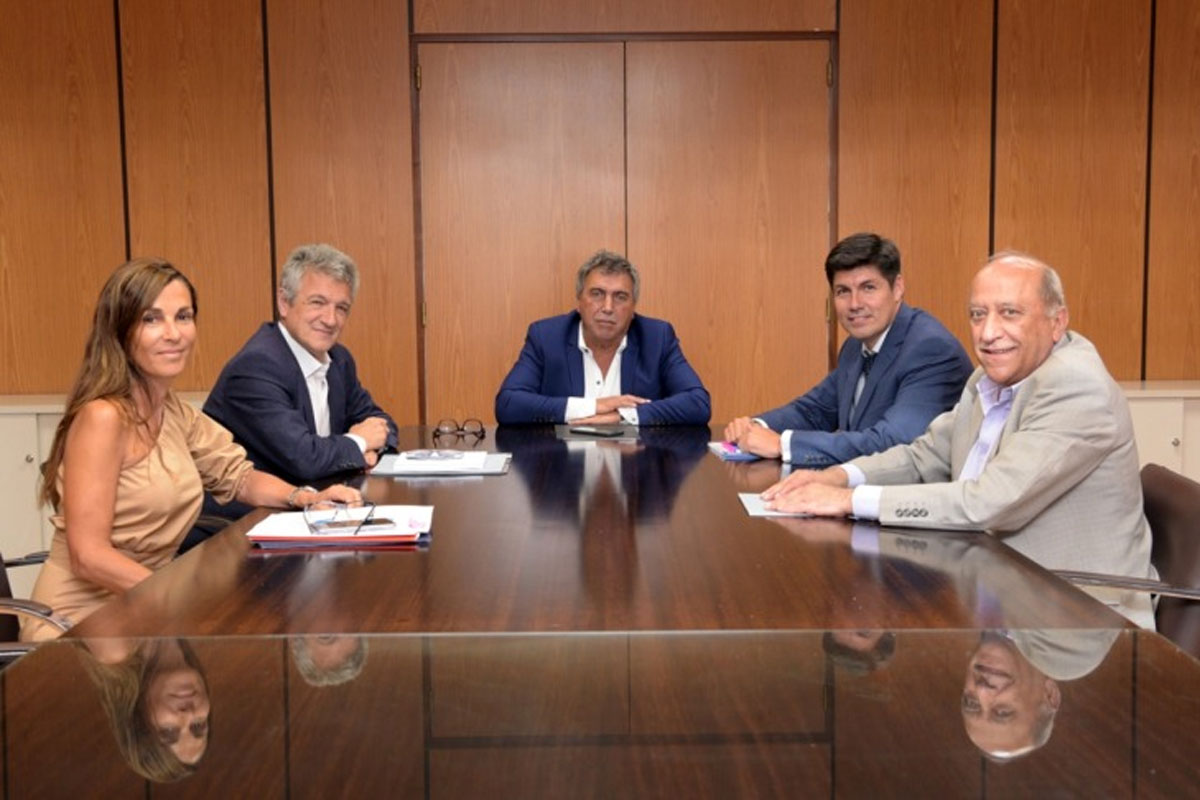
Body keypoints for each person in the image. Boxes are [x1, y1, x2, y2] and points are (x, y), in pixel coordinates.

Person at [762, 252, 1156, 627]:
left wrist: (848, 501)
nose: (988, 333)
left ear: (1057, 322)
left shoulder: (1074, 386)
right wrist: (839, 477)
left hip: (1074, 621)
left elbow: (989, 501)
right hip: (992, 595)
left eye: (1010, 313)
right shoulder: (989, 378)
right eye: (978, 315)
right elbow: (924, 456)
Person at [21, 259, 361, 641]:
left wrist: (305, 498)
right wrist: (177, 604)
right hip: (80, 621)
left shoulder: (173, 411)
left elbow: (238, 476)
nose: (173, 334)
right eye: (152, 319)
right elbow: (88, 556)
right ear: (120, 330)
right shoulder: (103, 418)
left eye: (183, 317)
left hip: (143, 604)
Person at [724, 232, 972, 466]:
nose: (854, 304)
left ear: (897, 288)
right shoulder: (855, 345)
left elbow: (894, 443)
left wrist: (783, 444)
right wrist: (756, 427)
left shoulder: (931, 349)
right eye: (843, 291)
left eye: (868, 288)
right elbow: (815, 411)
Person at [203, 243, 397, 487]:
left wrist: (369, 450)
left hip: (317, 499)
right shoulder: (256, 367)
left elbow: (381, 422)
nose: (330, 320)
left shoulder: (338, 359)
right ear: (284, 302)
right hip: (253, 508)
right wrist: (358, 443)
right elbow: (304, 458)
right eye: (317, 302)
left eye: (341, 308)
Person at [494, 250, 711, 426]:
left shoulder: (657, 338)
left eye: (620, 297)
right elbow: (508, 404)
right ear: (579, 302)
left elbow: (698, 403)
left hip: (637, 464)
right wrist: (594, 406)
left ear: (633, 308)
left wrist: (624, 416)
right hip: (562, 464)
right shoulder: (546, 337)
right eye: (597, 294)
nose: (608, 307)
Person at [962, 629, 1118, 761]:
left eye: (971, 703)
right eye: (1003, 712)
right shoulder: (1075, 652)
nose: (982, 691)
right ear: (1050, 694)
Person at [79, 637, 213, 782]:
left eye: (169, 731)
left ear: (139, 717)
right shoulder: (192, 638)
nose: (188, 714)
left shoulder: (115, 650)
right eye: (198, 726)